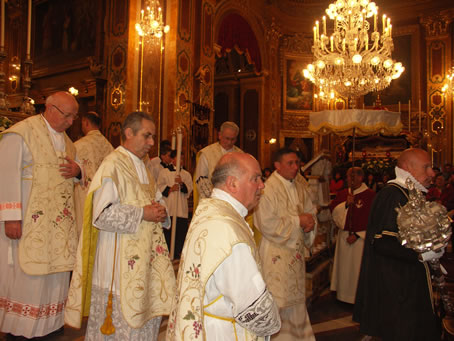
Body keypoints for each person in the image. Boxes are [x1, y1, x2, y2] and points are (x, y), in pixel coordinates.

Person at [65, 112, 176, 340]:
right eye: (147, 136)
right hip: (118, 266)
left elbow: (154, 199)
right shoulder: (113, 165)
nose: (152, 143)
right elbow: (102, 215)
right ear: (128, 133)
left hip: (144, 261)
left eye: (153, 137)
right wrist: (143, 213)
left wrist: (161, 211)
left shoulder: (143, 167)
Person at [167, 152, 281, 341]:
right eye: (255, 178)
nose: (262, 185)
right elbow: (252, 305)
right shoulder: (228, 230)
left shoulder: (210, 211)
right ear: (232, 183)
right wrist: (274, 321)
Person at [0, 91, 82, 338]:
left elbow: (77, 173)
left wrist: (78, 170)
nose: (70, 122)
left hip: (56, 230)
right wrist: (11, 217)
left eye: (74, 117)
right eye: (67, 116)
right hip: (27, 225)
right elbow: (6, 174)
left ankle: (50, 326)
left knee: (54, 280)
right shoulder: (20, 133)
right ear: (51, 109)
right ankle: (20, 331)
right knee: (27, 280)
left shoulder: (68, 142)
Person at [354, 148, 442, 341]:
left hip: (405, 284)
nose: (432, 173)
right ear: (407, 167)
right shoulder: (393, 194)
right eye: (426, 167)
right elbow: (383, 242)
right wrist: (422, 253)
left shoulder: (407, 193)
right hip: (397, 289)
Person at [254, 147, 317, 341]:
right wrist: (299, 221)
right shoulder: (267, 189)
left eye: (297, 163)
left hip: (295, 255)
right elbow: (266, 223)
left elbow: (310, 212)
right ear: (277, 165)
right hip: (276, 254)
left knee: (295, 302)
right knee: (277, 300)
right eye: (290, 163)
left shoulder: (300, 187)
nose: (296, 167)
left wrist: (310, 224)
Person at [329, 167, 375, 304]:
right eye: (348, 177)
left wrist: (358, 234)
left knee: (356, 270)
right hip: (344, 237)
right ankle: (343, 296)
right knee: (344, 270)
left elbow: (373, 219)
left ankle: (357, 298)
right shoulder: (343, 194)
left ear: (361, 178)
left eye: (352, 177)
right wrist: (346, 205)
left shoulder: (370, 195)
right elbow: (334, 213)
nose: (349, 179)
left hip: (360, 240)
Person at [74, 111, 113, 236]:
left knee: (83, 234)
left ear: (85, 123)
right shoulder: (110, 147)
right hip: (105, 198)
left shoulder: (78, 146)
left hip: (85, 197)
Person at [157, 149, 193, 259]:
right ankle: (167, 252)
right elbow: (159, 187)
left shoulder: (186, 174)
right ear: (173, 159)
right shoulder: (164, 172)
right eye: (178, 158)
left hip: (181, 209)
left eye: (182, 158)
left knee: (180, 232)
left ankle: (178, 253)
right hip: (170, 207)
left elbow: (189, 189)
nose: (180, 160)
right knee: (168, 232)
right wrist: (170, 188)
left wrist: (182, 184)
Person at [194, 121, 242, 202]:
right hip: (212, 201)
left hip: (235, 201)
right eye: (227, 138)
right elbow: (201, 180)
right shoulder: (207, 153)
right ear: (219, 135)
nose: (229, 142)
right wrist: (215, 199)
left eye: (233, 139)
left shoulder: (241, 155)